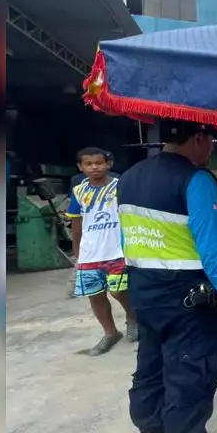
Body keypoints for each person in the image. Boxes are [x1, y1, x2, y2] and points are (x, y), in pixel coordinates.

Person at [119, 120, 217, 433]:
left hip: (144, 293)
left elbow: (128, 239)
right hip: (187, 300)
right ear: (198, 138)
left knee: (150, 371)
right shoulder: (197, 180)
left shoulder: (128, 178)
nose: (211, 149)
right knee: (190, 377)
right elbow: (213, 250)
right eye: (211, 141)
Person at [66, 147, 137, 355]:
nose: (94, 167)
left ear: (108, 164)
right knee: (94, 294)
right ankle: (110, 333)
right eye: (88, 164)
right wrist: (77, 252)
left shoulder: (120, 186)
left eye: (99, 163)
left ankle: (132, 317)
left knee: (118, 290)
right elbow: (76, 223)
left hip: (116, 249)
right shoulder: (79, 191)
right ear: (80, 167)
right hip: (90, 251)